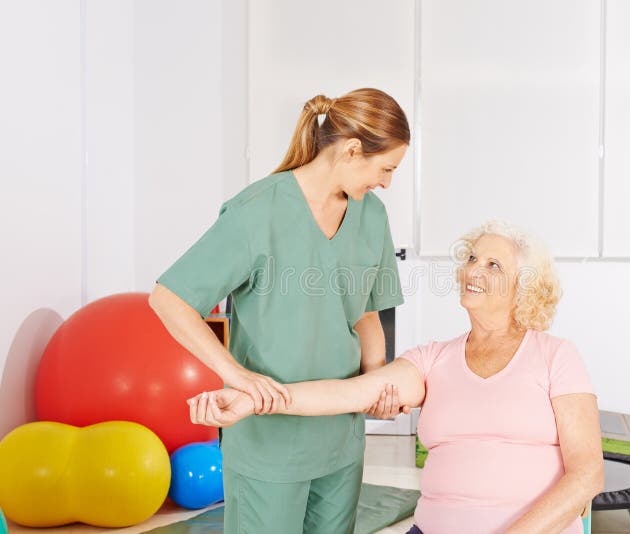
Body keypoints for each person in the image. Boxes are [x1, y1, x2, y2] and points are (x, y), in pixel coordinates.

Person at [190, 220, 605, 534]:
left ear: (525, 286)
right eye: (471, 259)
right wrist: (255, 398)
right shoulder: (434, 359)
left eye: (493, 264)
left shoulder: (556, 357)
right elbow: (349, 393)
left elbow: (587, 474)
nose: (473, 270)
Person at [149, 88, 410, 534]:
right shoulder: (257, 212)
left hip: (339, 440)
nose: (386, 182)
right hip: (268, 440)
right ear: (351, 150)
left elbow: (366, 311)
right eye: (385, 168)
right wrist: (236, 374)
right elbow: (168, 298)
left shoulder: (373, 216)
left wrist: (378, 381)